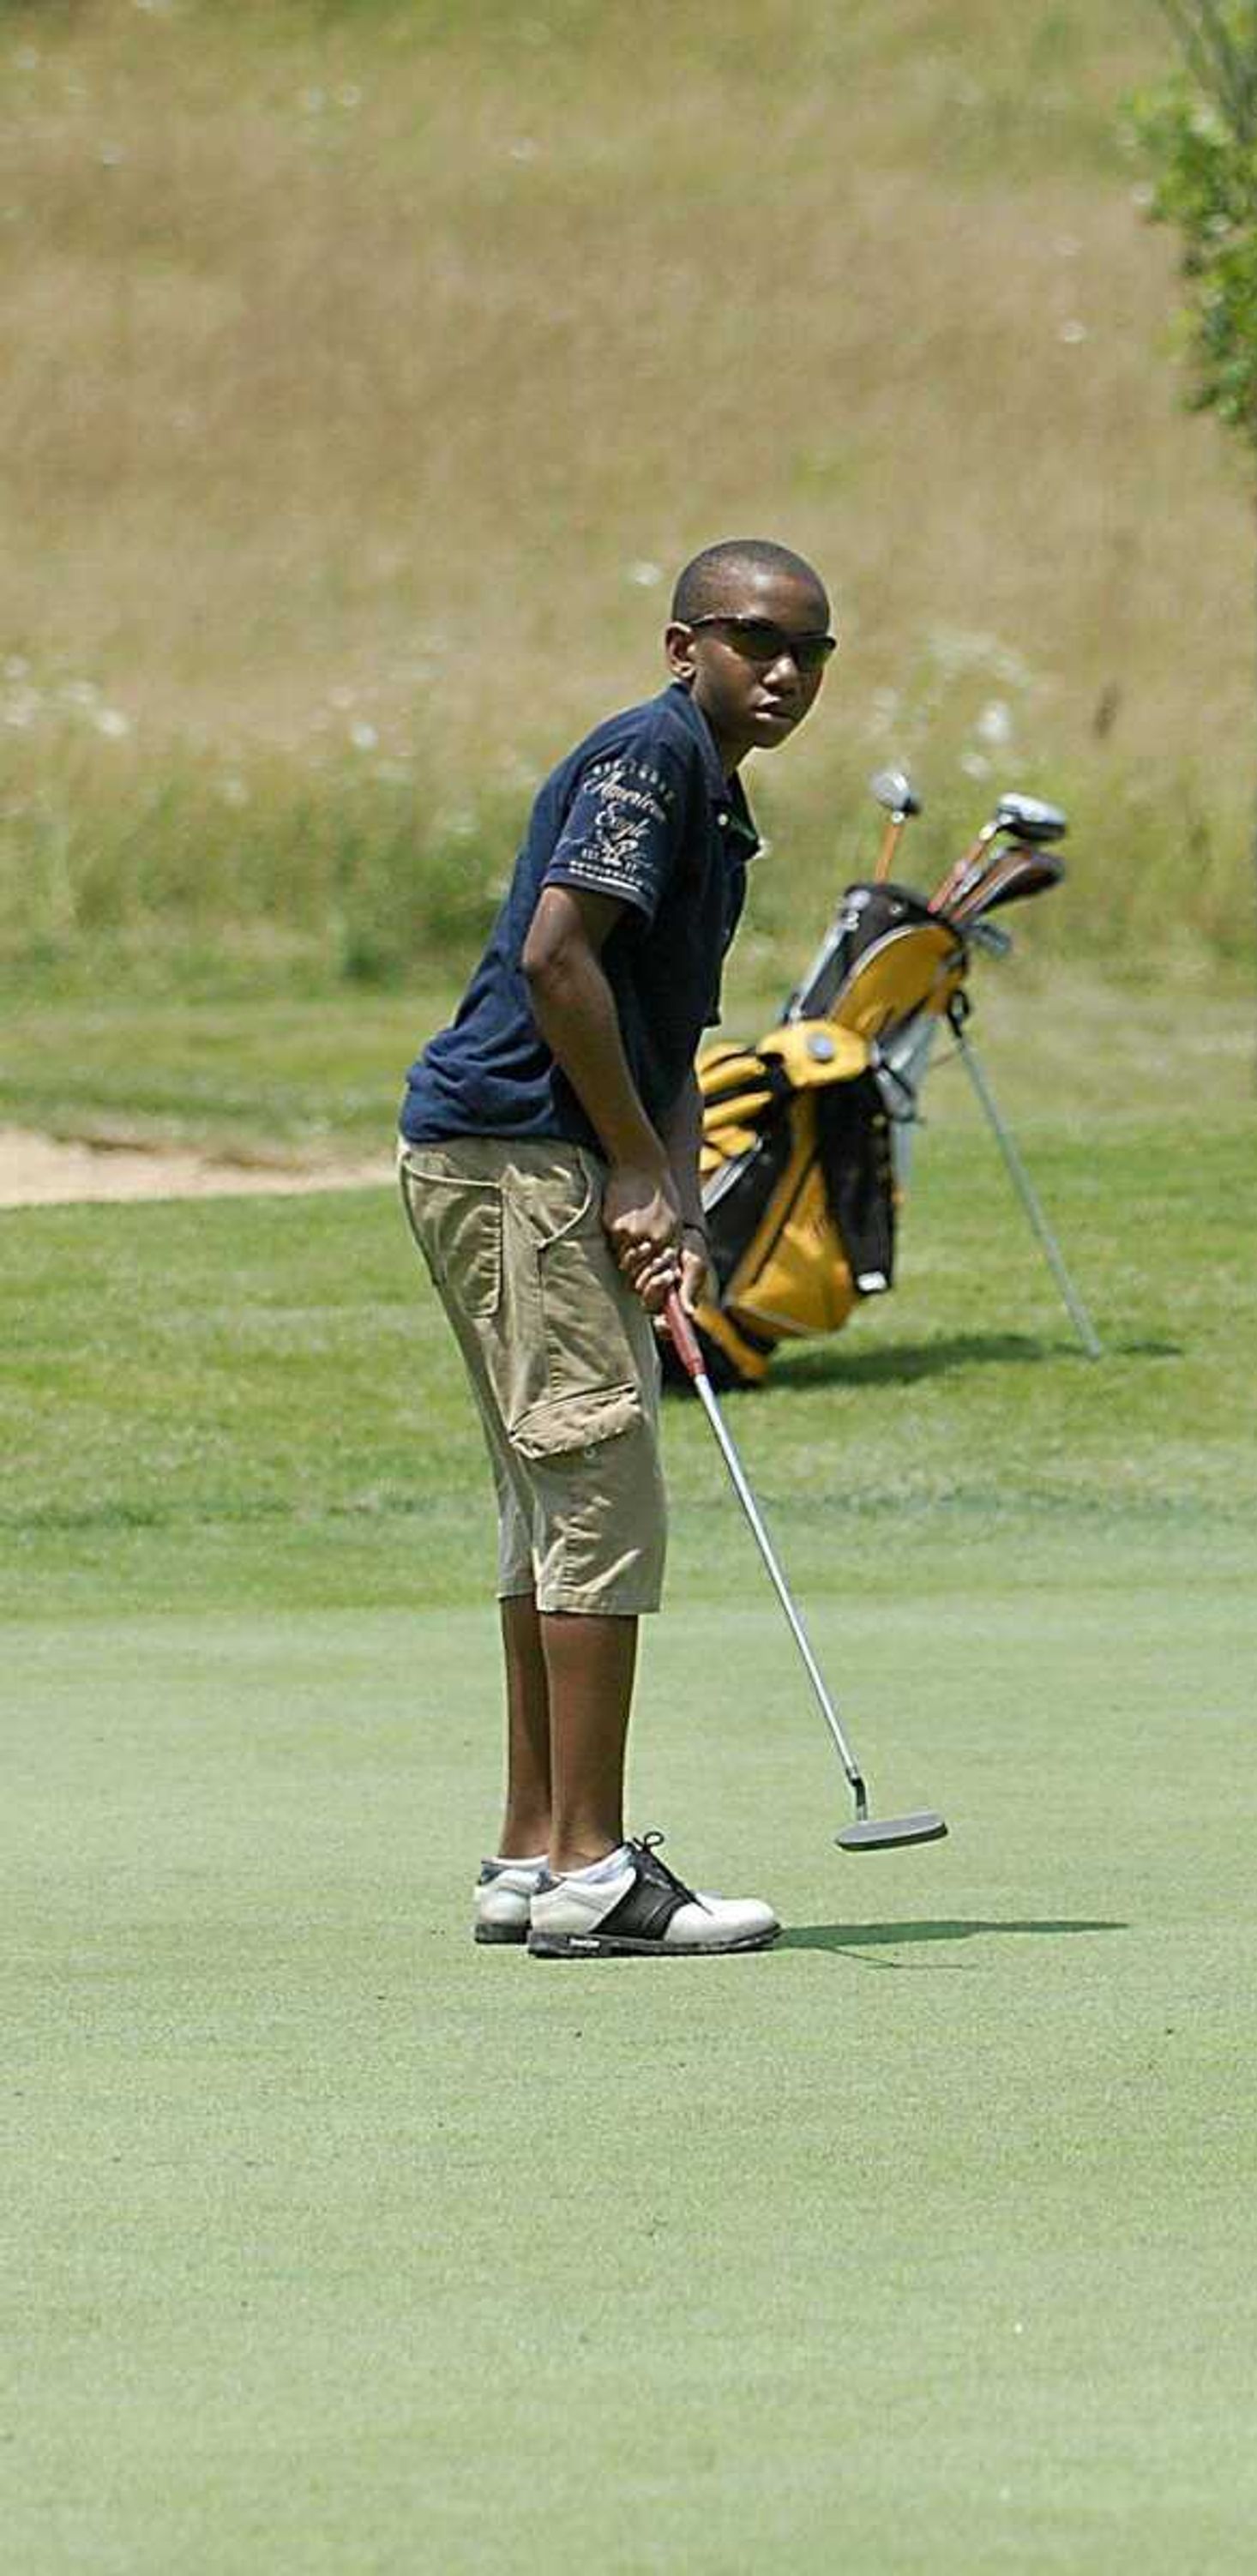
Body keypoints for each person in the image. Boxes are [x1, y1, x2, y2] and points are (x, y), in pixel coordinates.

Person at [397, 538, 839, 1960]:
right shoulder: (653, 761)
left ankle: (532, 1854)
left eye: (810, 651)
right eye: (753, 639)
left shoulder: (714, 804)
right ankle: (594, 1871)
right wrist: (632, 1166)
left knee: (548, 1500)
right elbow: (556, 957)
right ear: (681, 645)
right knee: (598, 1488)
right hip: (523, 1153)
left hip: (522, 1155)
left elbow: (667, 1021)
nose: (783, 670)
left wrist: (680, 1199)